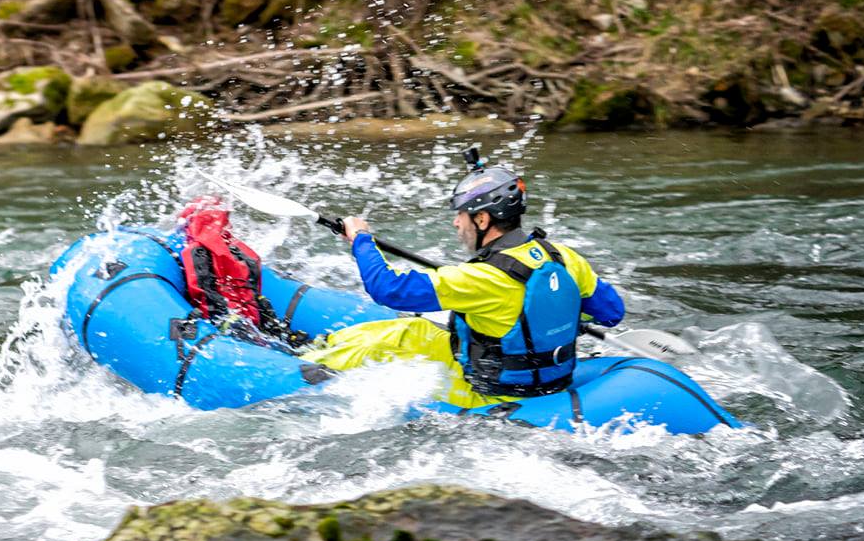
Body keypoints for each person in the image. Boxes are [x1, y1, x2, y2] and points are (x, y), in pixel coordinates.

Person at [303, 148, 626, 409]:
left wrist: (361, 239)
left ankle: (306, 365)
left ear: (483, 219)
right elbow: (611, 313)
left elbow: (387, 288)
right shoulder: (564, 257)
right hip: (554, 381)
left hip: (492, 395)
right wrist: (559, 317)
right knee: (416, 329)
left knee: (405, 334)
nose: (457, 224)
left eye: (461, 215)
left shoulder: (480, 278)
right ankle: (321, 349)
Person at [176, 197, 309, 349]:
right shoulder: (238, 249)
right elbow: (254, 288)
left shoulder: (196, 251)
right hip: (251, 318)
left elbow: (202, 293)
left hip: (230, 322)